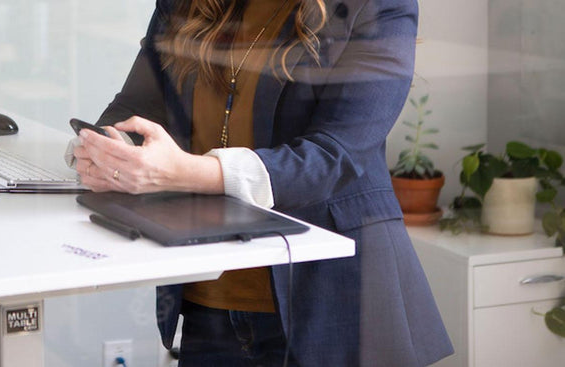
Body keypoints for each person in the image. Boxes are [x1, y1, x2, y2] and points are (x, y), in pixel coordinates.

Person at [70, 0, 453, 365]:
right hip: (209, 304)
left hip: (332, 305)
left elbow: (335, 156)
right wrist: (109, 151)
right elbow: (136, 107)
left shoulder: (375, 6)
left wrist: (182, 171)